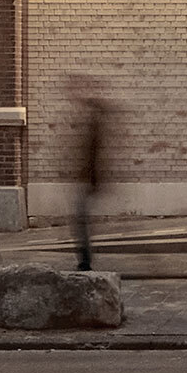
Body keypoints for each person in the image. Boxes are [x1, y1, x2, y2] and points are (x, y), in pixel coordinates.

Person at [70, 86, 115, 270]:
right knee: (81, 219)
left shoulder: (94, 129)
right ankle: (85, 260)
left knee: (80, 220)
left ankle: (85, 261)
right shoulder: (95, 128)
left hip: (89, 182)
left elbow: (93, 158)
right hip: (89, 181)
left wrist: (89, 180)